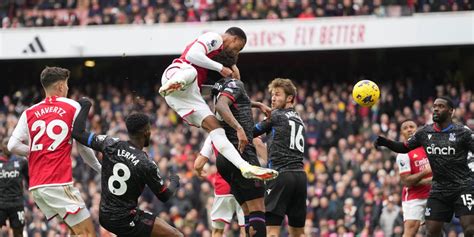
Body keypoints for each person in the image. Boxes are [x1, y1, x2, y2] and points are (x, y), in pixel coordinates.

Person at [159, 27, 277, 181]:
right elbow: (192, 55)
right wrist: (220, 68)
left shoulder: (211, 60)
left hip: (185, 95)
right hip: (176, 72)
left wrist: (256, 104)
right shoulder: (215, 38)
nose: (237, 52)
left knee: (217, 130)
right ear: (235, 39)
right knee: (191, 73)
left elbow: (210, 91)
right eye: (239, 48)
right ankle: (175, 83)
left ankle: (245, 167)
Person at [7, 66, 101, 236]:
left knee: (74, 231)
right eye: (66, 85)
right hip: (57, 183)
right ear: (59, 86)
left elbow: (12, 145)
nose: (67, 88)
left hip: (37, 186)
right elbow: (82, 145)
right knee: (87, 233)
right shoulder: (73, 106)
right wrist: (100, 168)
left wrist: (34, 151)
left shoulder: (29, 112)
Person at [72, 98, 183, 237]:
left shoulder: (110, 144)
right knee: (176, 235)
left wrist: (85, 105)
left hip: (105, 216)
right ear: (147, 132)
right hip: (125, 219)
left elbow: (77, 133)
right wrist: (175, 181)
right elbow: (165, 196)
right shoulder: (146, 163)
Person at [375, 96, 474, 236]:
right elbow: (404, 147)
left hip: (463, 187)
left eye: (441, 106)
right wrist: (385, 142)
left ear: (451, 111)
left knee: (470, 230)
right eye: (434, 106)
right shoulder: (424, 132)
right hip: (439, 189)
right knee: (431, 232)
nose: (436, 109)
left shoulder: (462, 132)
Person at [210, 76, 275, 237]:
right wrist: (239, 128)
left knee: (247, 210)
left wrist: (257, 104)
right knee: (258, 208)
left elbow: (230, 103)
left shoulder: (217, 88)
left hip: (225, 158)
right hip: (241, 153)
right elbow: (221, 105)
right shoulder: (234, 82)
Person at [253, 78, 307, 237]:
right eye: (272, 95)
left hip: (280, 176)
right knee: (298, 233)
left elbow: (251, 132)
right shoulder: (299, 119)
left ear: (290, 98)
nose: (273, 98)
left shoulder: (275, 115)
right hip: (299, 177)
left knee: (272, 232)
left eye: (277, 94)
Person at [194, 139, 245, 237]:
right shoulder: (243, 129)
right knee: (244, 228)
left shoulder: (214, 134)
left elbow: (198, 164)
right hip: (243, 184)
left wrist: (199, 171)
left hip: (223, 185)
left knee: (218, 230)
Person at [395, 120, 432, 237]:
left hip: (433, 194)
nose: (409, 129)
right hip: (414, 198)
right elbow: (406, 181)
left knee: (436, 229)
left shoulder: (429, 146)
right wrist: (426, 172)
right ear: (402, 133)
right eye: (405, 128)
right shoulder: (403, 154)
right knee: (411, 232)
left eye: (412, 126)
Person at [0, 137, 28, 237]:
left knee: (18, 232)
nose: (7, 145)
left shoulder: (22, 161)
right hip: (1, 203)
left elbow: (29, 180)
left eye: (9, 143)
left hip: (17, 203)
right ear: (0, 146)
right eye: (5, 143)